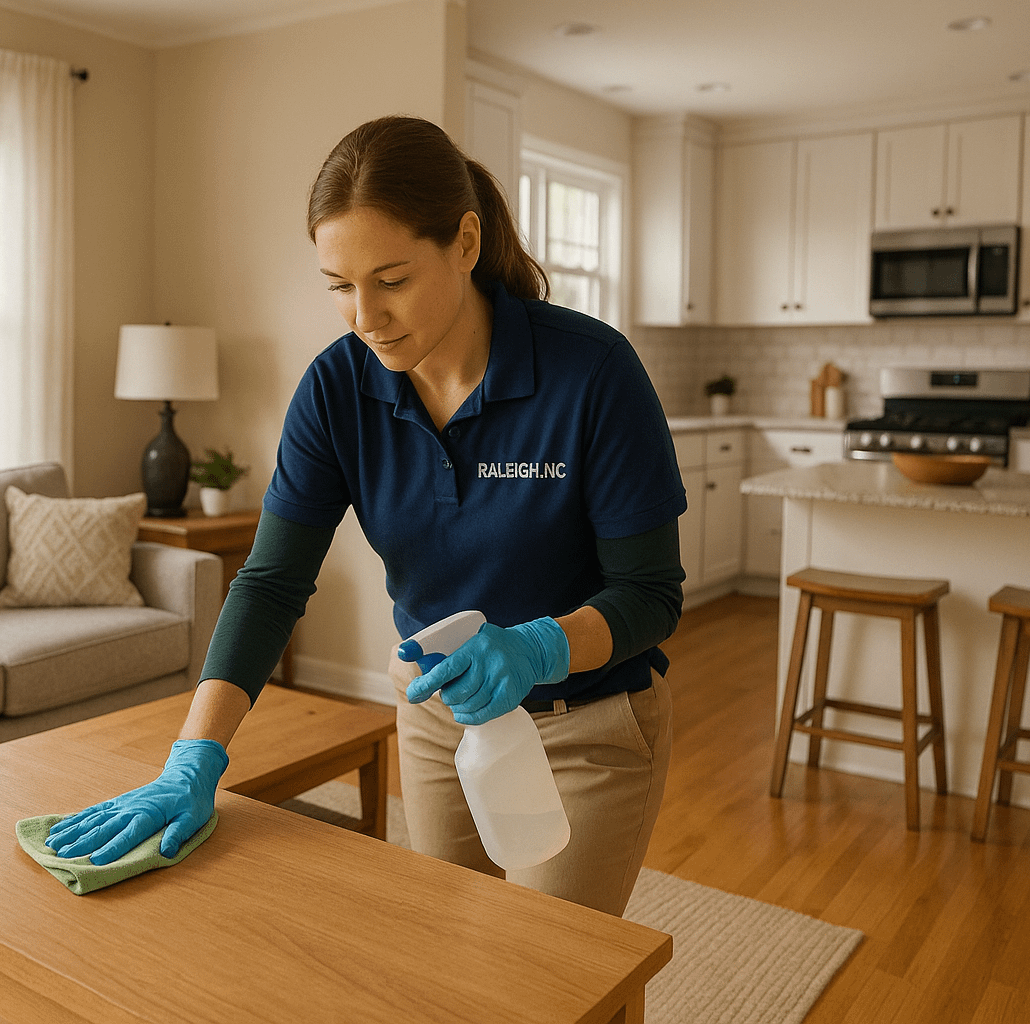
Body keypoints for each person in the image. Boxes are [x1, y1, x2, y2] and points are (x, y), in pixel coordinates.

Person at [48, 115, 685, 916]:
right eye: (340, 286)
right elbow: (273, 580)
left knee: (549, 981)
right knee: (446, 962)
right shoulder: (336, 389)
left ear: (465, 242)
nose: (364, 317)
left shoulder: (591, 373)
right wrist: (193, 755)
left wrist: (538, 645)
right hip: (439, 723)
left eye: (391, 279)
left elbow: (652, 593)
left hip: (585, 726)